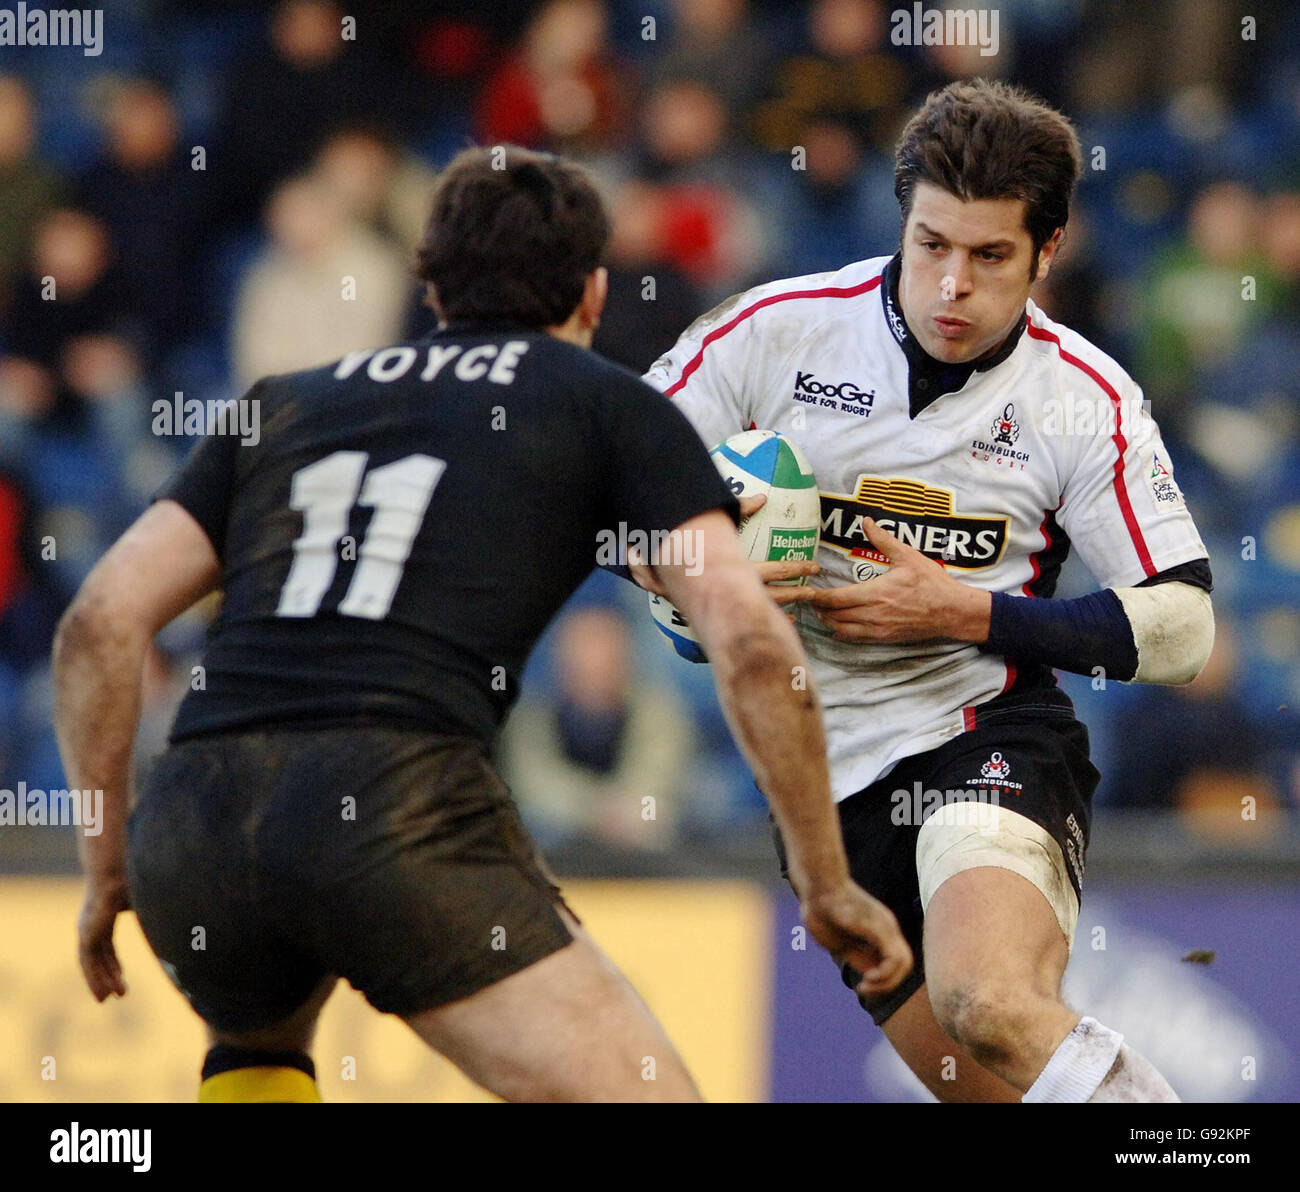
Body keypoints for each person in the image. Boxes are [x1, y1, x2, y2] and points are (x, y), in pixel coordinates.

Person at [51, 145, 910, 1104]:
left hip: (196, 818)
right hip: (390, 807)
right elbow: (751, 646)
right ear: (592, 291)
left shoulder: (282, 404)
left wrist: (107, 867)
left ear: (430, 289)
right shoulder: (606, 404)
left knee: (257, 1046)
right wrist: (827, 884)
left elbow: (98, 622)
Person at [640, 79, 1215, 1102]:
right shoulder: (773, 333)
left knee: (986, 999)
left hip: (984, 735)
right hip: (820, 791)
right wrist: (689, 573)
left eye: (990, 256)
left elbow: (1181, 627)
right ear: (899, 223)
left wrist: (964, 610)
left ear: (1046, 253)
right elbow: (613, 493)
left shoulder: (1084, 400)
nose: (951, 284)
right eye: (930, 244)